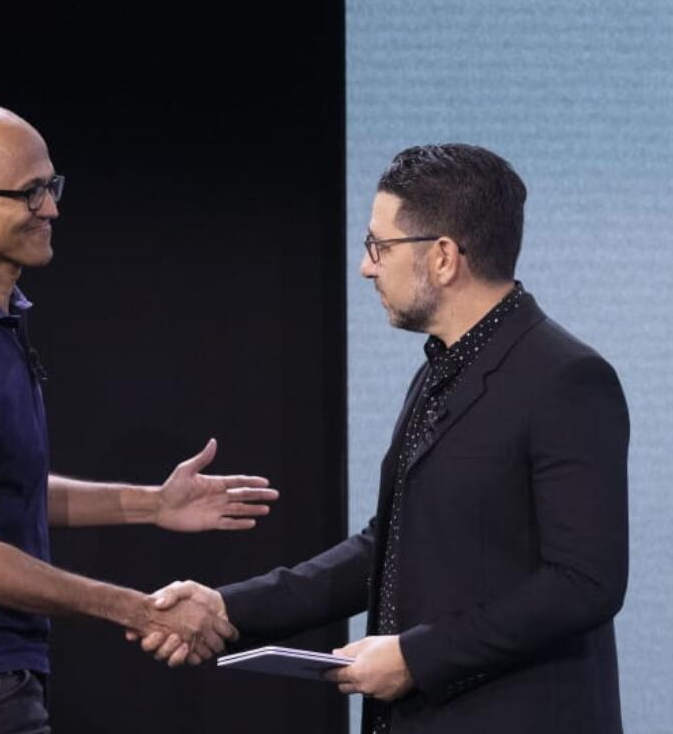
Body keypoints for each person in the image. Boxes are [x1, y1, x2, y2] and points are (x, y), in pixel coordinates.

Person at [142, 144, 630, 733]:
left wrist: (415, 657)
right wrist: (227, 608)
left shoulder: (567, 378)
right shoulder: (437, 373)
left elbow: (584, 584)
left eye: (380, 246)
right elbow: (388, 547)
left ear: (444, 257)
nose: (367, 266)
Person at [0, 104, 277, 733]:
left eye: (50, 186)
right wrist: (138, 610)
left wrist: (153, 505)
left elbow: (7, 489)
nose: (51, 209)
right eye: (28, 193)